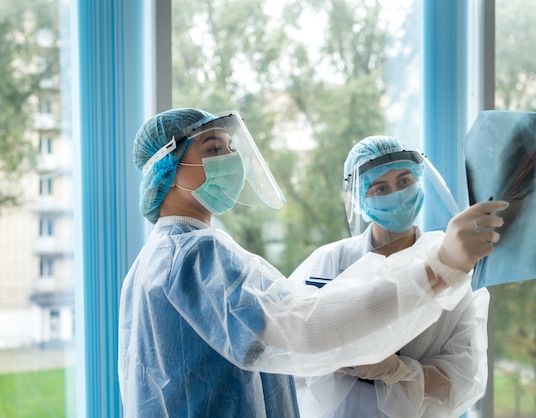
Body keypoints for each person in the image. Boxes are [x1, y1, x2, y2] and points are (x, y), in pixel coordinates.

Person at [117, 108, 508, 417]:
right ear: (166, 168)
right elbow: (304, 326)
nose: (231, 161)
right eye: (213, 149)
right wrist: (438, 268)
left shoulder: (168, 255)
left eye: (231, 148)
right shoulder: (193, 256)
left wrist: (398, 370)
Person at [292, 135, 507, 418]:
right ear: (359, 198)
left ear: (419, 181)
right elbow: (286, 350)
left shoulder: (452, 270)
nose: (395, 194)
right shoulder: (329, 263)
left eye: (405, 181)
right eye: (380, 188)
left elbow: (464, 382)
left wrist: (398, 370)